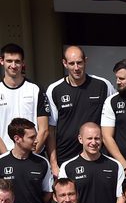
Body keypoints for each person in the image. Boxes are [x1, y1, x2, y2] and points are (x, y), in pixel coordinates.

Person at [45, 45, 112, 176]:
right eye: (71, 63)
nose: (76, 68)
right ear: (64, 63)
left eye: (79, 63)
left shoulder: (103, 85)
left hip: (97, 156)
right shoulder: (54, 90)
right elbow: (51, 130)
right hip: (65, 157)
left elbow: (112, 123)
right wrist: (53, 163)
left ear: (85, 61)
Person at [58, 122, 124, 203]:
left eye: (97, 138)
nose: (93, 142)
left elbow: (121, 198)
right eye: (89, 138)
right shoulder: (67, 167)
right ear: (80, 139)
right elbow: (64, 199)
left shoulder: (115, 166)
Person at [0, 43, 48, 154]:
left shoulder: (35, 89)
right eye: (9, 61)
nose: (13, 65)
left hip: (33, 156)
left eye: (17, 61)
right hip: (4, 157)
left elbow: (44, 129)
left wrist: (32, 155)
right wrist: (7, 157)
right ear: (2, 61)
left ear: (23, 63)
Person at [0, 118, 53, 203]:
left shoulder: (42, 162)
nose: (36, 141)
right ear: (17, 139)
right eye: (32, 137)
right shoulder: (2, 162)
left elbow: (48, 193)